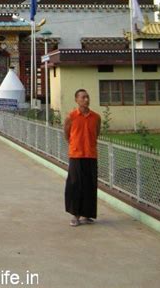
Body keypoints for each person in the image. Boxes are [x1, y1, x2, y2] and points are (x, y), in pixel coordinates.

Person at [64, 88, 101, 227]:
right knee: (75, 185)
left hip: (91, 155)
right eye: (83, 97)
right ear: (76, 100)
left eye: (87, 97)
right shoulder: (71, 116)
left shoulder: (96, 117)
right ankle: (75, 215)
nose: (86, 99)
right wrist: (75, 144)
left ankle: (87, 214)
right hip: (76, 155)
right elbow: (66, 134)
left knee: (90, 185)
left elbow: (96, 133)